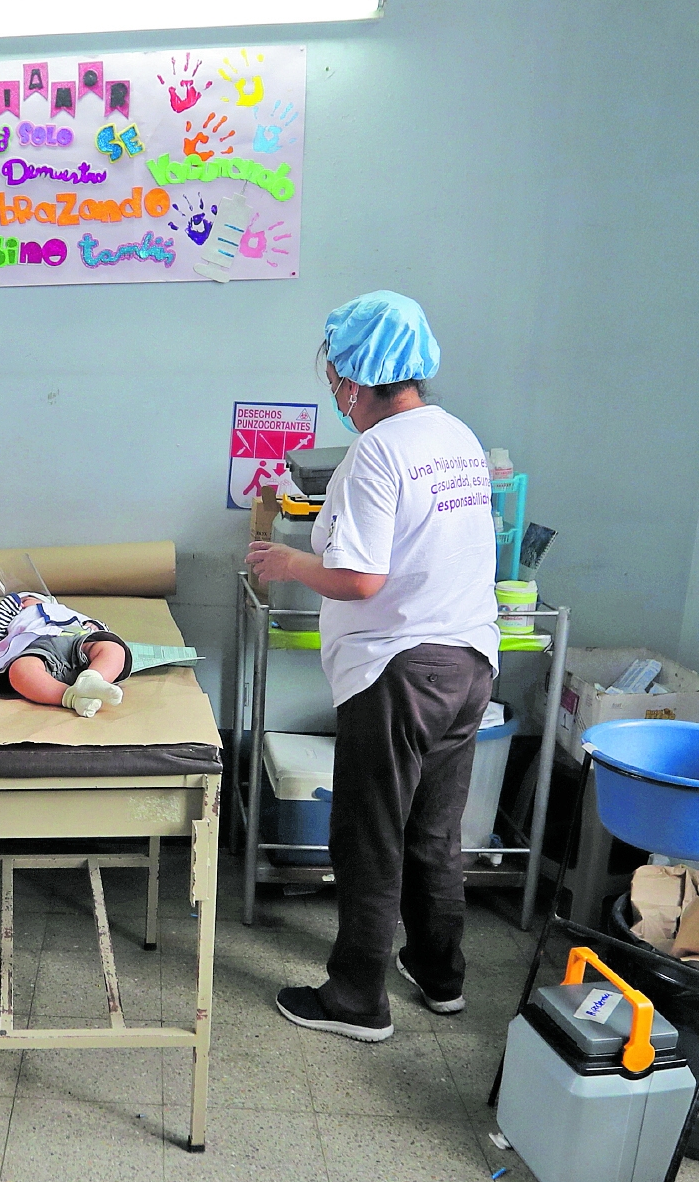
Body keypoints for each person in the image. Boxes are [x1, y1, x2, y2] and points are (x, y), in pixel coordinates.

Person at [246, 291, 499, 1043]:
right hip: (468, 664)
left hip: (400, 673)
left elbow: (360, 577)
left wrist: (290, 559)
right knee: (434, 831)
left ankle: (358, 994)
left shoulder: (377, 453)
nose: (336, 395)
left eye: (336, 379)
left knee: (369, 834)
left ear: (357, 377)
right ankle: (440, 971)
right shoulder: (457, 437)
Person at [0, 591, 129, 716]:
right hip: (39, 649)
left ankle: (93, 679)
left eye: (31, 598)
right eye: (25, 600)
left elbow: (102, 630)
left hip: (75, 643)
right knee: (20, 670)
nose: (28, 600)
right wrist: (10, 603)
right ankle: (72, 698)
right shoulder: (19, 617)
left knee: (113, 649)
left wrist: (94, 625)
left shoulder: (62, 611)